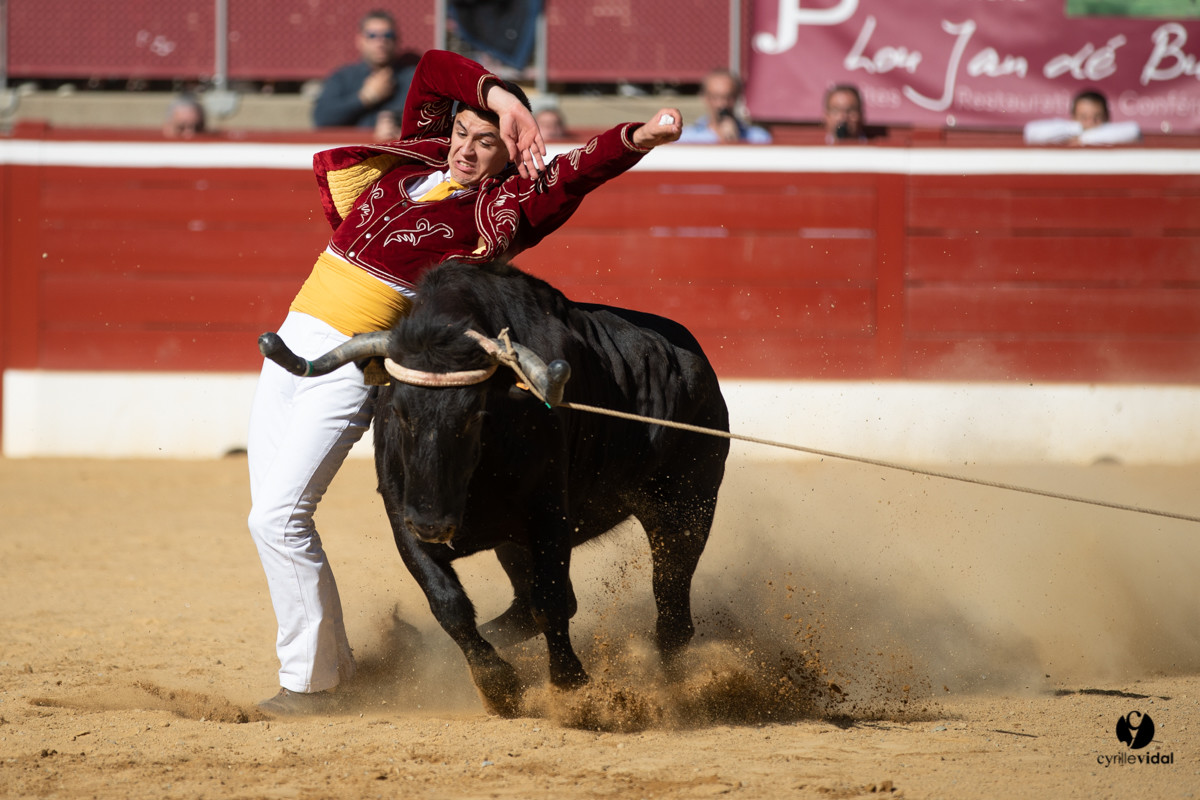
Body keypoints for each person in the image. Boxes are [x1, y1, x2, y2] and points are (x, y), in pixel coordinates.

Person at [248, 48, 683, 716]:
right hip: (293, 343)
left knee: (280, 517)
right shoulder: (417, 160)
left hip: (364, 361)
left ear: (508, 157)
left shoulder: (501, 209)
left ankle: (311, 685)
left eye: (486, 143)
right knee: (268, 521)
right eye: (462, 134)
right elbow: (429, 69)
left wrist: (638, 139)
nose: (467, 151)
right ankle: (331, 667)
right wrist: (503, 98)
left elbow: (575, 172)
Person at [312, 10, 416, 141]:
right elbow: (321, 119)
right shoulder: (342, 77)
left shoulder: (412, 79)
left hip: (400, 155)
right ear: (360, 40)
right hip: (354, 156)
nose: (381, 41)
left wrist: (402, 129)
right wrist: (365, 98)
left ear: (397, 40)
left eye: (388, 35)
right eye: (372, 35)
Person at [678, 69, 770, 144]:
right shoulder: (687, 138)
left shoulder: (758, 138)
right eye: (715, 97)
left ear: (737, 97)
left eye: (728, 97)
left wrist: (736, 142)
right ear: (705, 98)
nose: (722, 104)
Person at [1023, 90, 1141, 146]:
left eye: (1097, 117)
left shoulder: (1110, 132)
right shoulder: (1067, 130)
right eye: (1083, 117)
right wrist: (1076, 128)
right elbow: (1031, 132)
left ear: (1106, 117)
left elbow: (1133, 131)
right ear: (1073, 116)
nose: (1090, 122)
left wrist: (1083, 139)